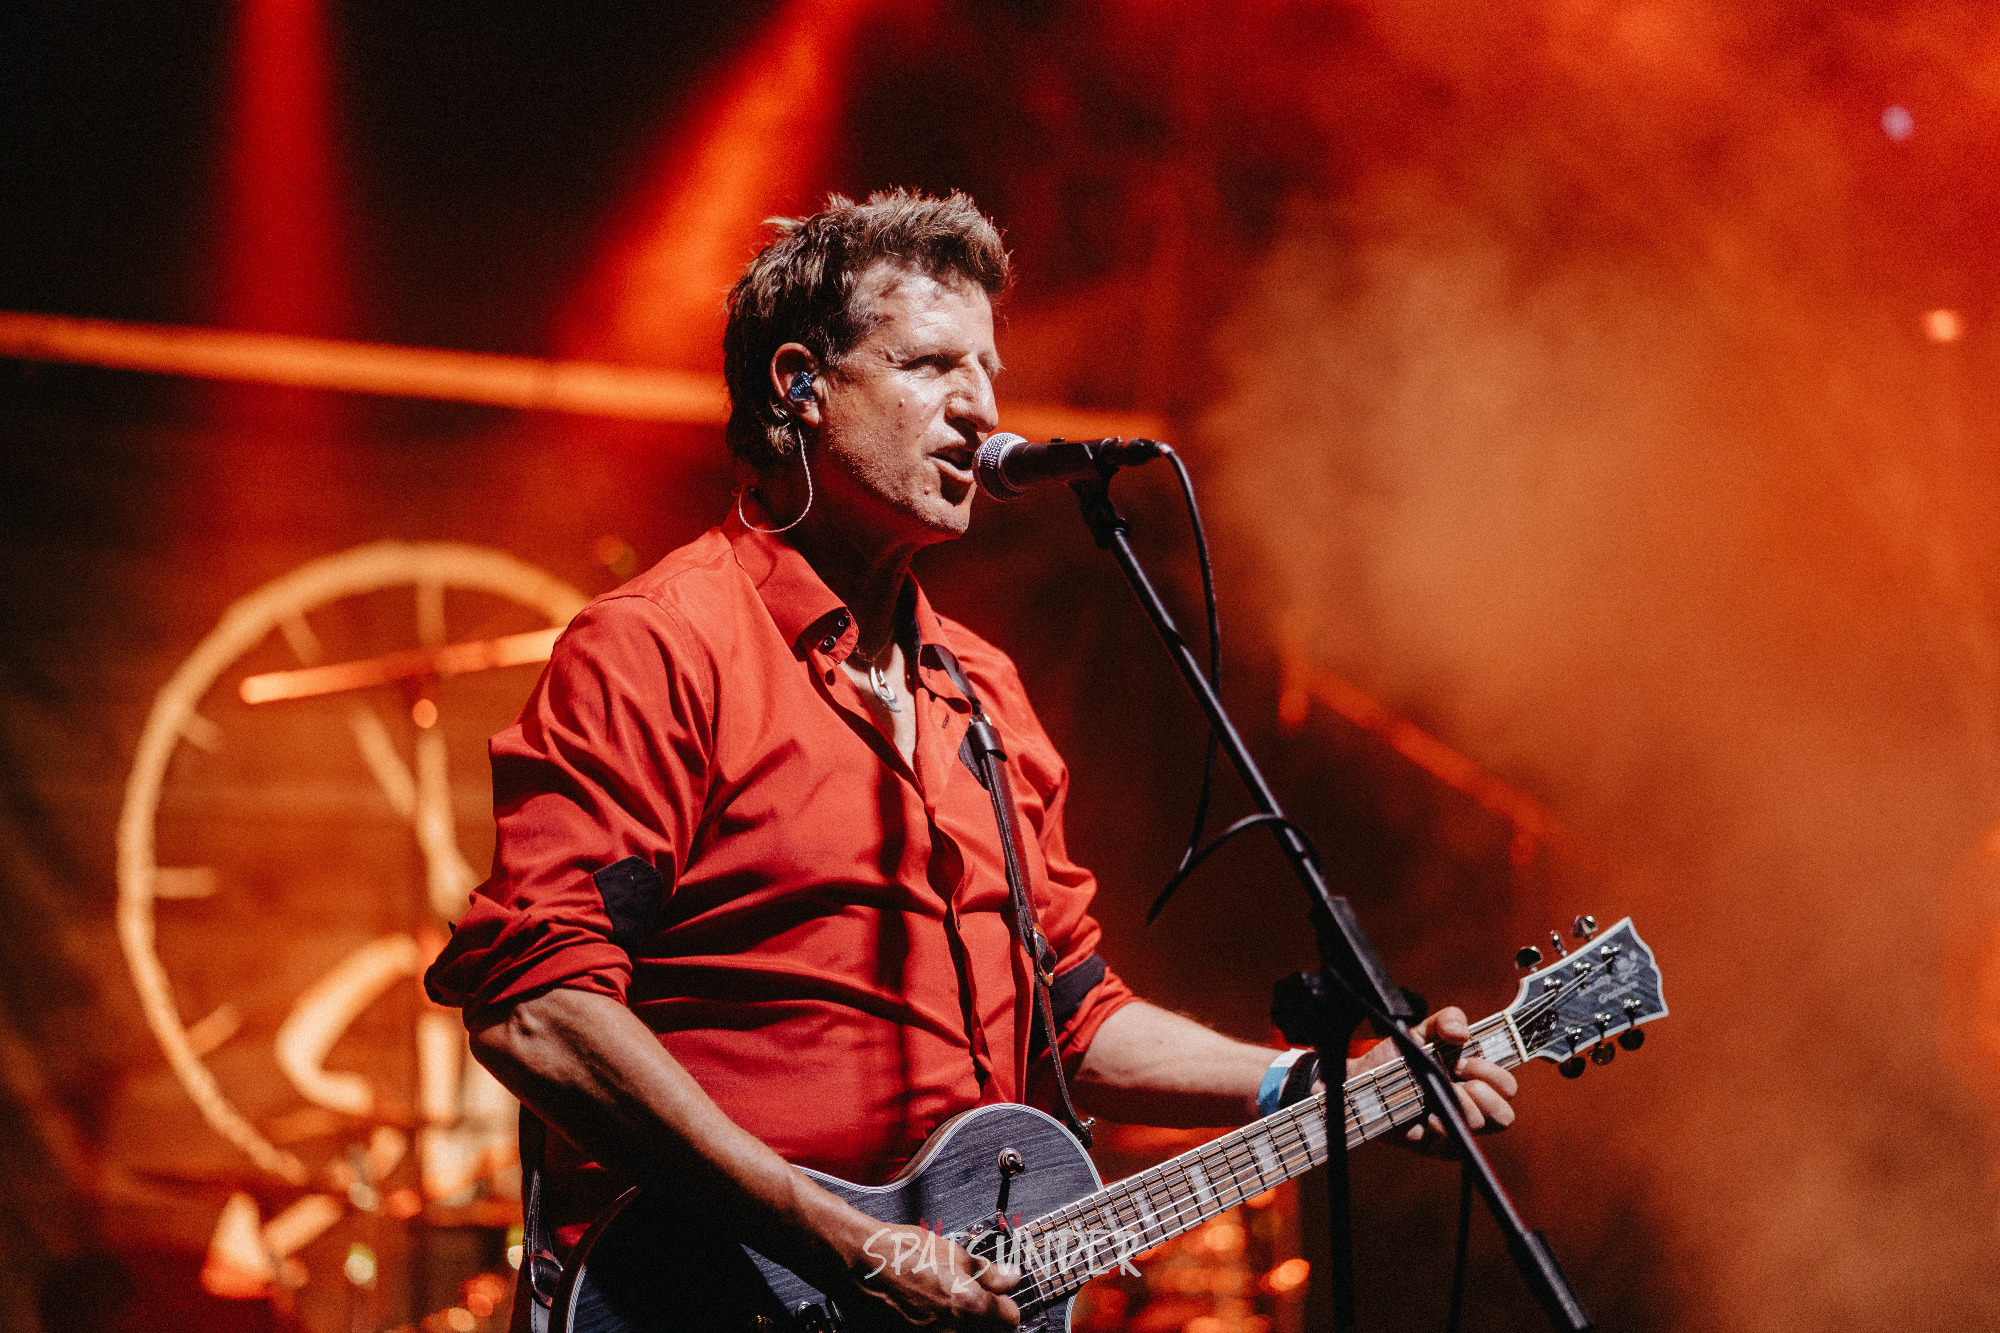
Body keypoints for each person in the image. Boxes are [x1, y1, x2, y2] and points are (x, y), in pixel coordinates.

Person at [425, 189, 1518, 1332]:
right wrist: (847, 1242)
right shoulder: (660, 647)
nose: (980, 407)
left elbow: (1075, 1019)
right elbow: (534, 1007)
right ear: (799, 384)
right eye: (928, 365)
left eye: (986, 369)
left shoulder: (983, 696)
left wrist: (1316, 1084)